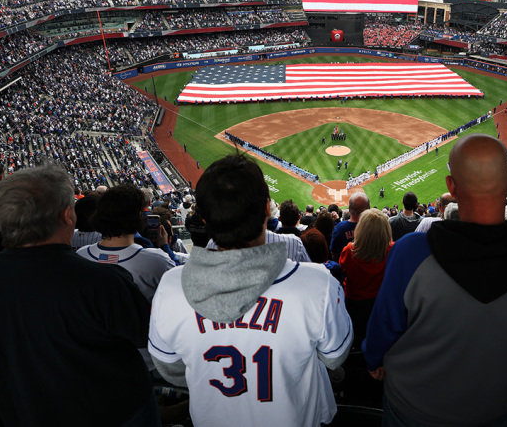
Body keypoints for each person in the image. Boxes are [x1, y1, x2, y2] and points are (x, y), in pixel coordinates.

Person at [363, 134, 507, 426]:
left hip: (412, 406)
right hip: (498, 405)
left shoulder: (411, 252)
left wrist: (371, 361)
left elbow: (384, 328)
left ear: (451, 187)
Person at [148, 154, 353, 426]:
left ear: (205, 220)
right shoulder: (319, 284)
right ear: (268, 209)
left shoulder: (172, 287)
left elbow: (172, 370)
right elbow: (335, 357)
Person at [0, 165, 158, 427]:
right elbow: (147, 336)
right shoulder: (103, 281)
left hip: (22, 412)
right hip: (114, 413)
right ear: (66, 216)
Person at [339, 208, 394, 346]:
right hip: (380, 303)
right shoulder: (392, 249)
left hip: (353, 302)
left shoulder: (349, 250)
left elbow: (342, 269)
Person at [330, 191, 370, 260]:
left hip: (346, 267)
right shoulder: (375, 227)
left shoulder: (339, 228)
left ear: (349, 209)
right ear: (368, 208)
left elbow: (334, 253)